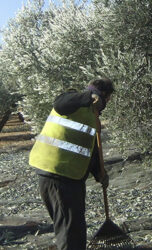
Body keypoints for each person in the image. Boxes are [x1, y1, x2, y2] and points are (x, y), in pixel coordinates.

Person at [29, 78, 114, 250]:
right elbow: (60, 104)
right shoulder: (74, 100)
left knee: (73, 229)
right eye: (109, 99)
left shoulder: (91, 116)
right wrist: (89, 96)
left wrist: (100, 174)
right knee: (70, 234)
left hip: (69, 176)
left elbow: (90, 150)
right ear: (104, 95)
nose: (108, 103)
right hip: (58, 175)